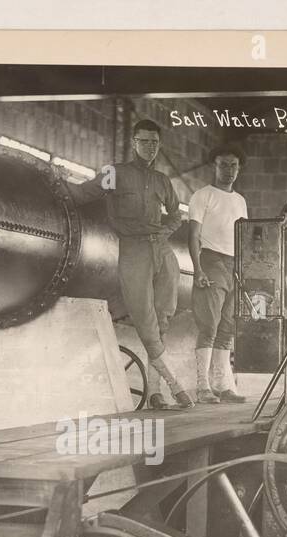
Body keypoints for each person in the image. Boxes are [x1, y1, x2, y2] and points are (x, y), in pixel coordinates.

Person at [71, 119, 193, 410]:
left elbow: (176, 214)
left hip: (162, 250)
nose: (149, 147)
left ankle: (155, 392)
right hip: (134, 248)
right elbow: (82, 193)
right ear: (134, 142)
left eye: (154, 142)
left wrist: (165, 231)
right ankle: (174, 384)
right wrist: (49, 178)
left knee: (163, 317)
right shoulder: (116, 173)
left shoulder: (163, 181)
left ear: (158, 145)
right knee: (144, 317)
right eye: (144, 141)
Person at [187, 144, 248, 403]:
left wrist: (244, 271)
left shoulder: (240, 200)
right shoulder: (203, 195)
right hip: (211, 260)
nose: (229, 170)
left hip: (236, 266)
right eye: (223, 164)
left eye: (233, 165)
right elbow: (193, 236)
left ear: (239, 168)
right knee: (209, 326)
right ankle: (202, 387)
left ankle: (224, 385)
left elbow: (243, 238)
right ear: (215, 166)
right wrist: (198, 269)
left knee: (228, 327)